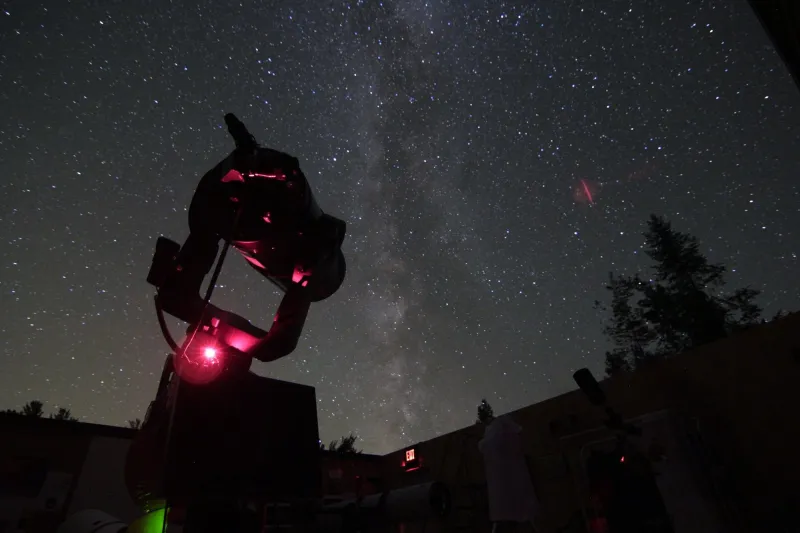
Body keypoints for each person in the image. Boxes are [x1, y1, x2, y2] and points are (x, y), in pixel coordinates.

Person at [158, 114, 346, 363]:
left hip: (302, 244)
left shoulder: (224, 203)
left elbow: (277, 344)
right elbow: (276, 346)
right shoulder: (218, 202)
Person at [478, 413, 541, 533]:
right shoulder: (500, 427)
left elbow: (485, 445)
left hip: (508, 482)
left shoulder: (500, 426)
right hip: (505, 483)